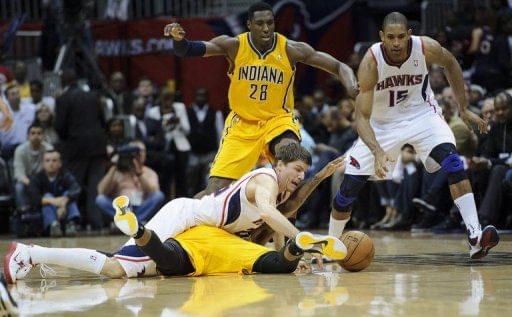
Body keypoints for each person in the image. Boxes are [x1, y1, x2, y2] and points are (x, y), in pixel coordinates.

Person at [328, 12, 499, 259]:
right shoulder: (371, 61)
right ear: (381, 37)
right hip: (382, 124)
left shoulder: (424, 47)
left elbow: (451, 63)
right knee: (348, 190)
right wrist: (377, 150)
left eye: (401, 37)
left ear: (409, 34)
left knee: (453, 162)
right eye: (390, 37)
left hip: (422, 116)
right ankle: (331, 246)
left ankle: (475, 236)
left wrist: (463, 109)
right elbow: (361, 118)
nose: (396, 43)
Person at [164, 2, 357, 196]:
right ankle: (184, 218)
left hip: (277, 121)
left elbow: (339, 66)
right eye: (260, 23)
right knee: (214, 192)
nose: (266, 28)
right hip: (242, 124)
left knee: (291, 160)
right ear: (249, 24)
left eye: (270, 23)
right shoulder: (234, 46)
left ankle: (285, 222)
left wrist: (351, 85)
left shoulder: (290, 49)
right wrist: (179, 40)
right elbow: (187, 50)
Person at [113, 143, 344, 256]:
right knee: (124, 264)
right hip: (185, 215)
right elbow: (268, 214)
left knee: (148, 266)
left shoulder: (281, 190)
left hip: (207, 232)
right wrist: (305, 239)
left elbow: (278, 221)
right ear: (280, 165)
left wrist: (285, 256)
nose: (301, 176)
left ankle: (134, 227)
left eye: (305, 171)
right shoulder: (267, 179)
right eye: (297, 169)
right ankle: (130, 222)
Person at [3, 223, 345, 284]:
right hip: (173, 245)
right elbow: (275, 262)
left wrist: (294, 254)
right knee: (114, 270)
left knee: (115, 263)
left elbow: (274, 262)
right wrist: (293, 253)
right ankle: (32, 254)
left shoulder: (238, 241)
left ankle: (36, 255)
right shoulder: (238, 242)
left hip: (176, 249)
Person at [96, 140, 164, 226]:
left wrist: (139, 174)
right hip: (123, 209)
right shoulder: (117, 172)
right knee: (100, 199)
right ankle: (130, 222)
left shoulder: (149, 172)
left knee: (158, 195)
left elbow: (154, 193)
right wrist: (114, 166)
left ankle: (133, 223)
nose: (138, 155)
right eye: (133, 153)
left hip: (142, 207)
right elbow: (101, 191)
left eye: (141, 151)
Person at [27, 150, 81, 237]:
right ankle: (53, 226)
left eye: (54, 160)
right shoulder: (36, 178)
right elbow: (34, 198)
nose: (51, 163)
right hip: (45, 212)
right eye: (47, 161)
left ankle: (71, 224)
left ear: (60, 163)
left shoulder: (65, 175)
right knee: (47, 196)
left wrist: (64, 200)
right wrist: (53, 201)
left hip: (65, 210)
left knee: (68, 194)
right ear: (43, 164)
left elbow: (76, 189)